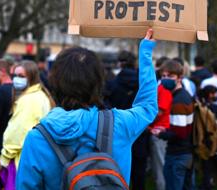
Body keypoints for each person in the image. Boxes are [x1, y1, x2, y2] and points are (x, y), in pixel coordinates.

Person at [16, 29, 158, 189]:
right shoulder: (121, 124)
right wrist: (145, 51)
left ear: (54, 82)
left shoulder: (37, 138)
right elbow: (148, 106)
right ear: (98, 82)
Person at [104, 50, 148, 190]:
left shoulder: (111, 84)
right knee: (139, 174)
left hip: (118, 130)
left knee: (118, 171)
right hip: (139, 130)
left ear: (119, 63)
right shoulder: (143, 84)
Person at [0, 60, 55, 168]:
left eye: (21, 76)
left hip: (22, 161)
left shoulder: (29, 100)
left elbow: (18, 132)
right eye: (15, 75)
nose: (16, 79)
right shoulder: (41, 95)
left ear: (31, 77)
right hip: (36, 158)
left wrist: (5, 157)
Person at [157, 59, 194, 190]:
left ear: (179, 78)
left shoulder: (179, 100)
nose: (166, 79)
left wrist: (161, 133)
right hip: (183, 154)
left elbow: (180, 133)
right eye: (163, 76)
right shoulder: (180, 96)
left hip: (178, 155)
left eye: (170, 76)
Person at [198, 85, 217, 190]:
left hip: (204, 145)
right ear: (210, 95)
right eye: (215, 93)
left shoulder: (201, 109)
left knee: (206, 170)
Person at [149, 84, 173, 190]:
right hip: (160, 130)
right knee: (159, 165)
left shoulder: (164, 88)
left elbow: (159, 112)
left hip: (159, 131)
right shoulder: (163, 87)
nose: (166, 77)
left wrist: (145, 122)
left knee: (160, 167)